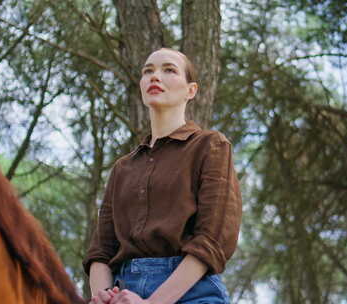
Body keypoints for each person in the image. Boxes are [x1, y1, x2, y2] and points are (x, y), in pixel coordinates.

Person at [83, 48, 242, 304]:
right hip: (122, 293)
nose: (155, 76)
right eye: (148, 71)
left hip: (192, 293)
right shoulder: (123, 168)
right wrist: (101, 297)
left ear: (191, 91)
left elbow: (213, 239)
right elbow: (101, 251)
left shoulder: (211, 146)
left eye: (169, 70)